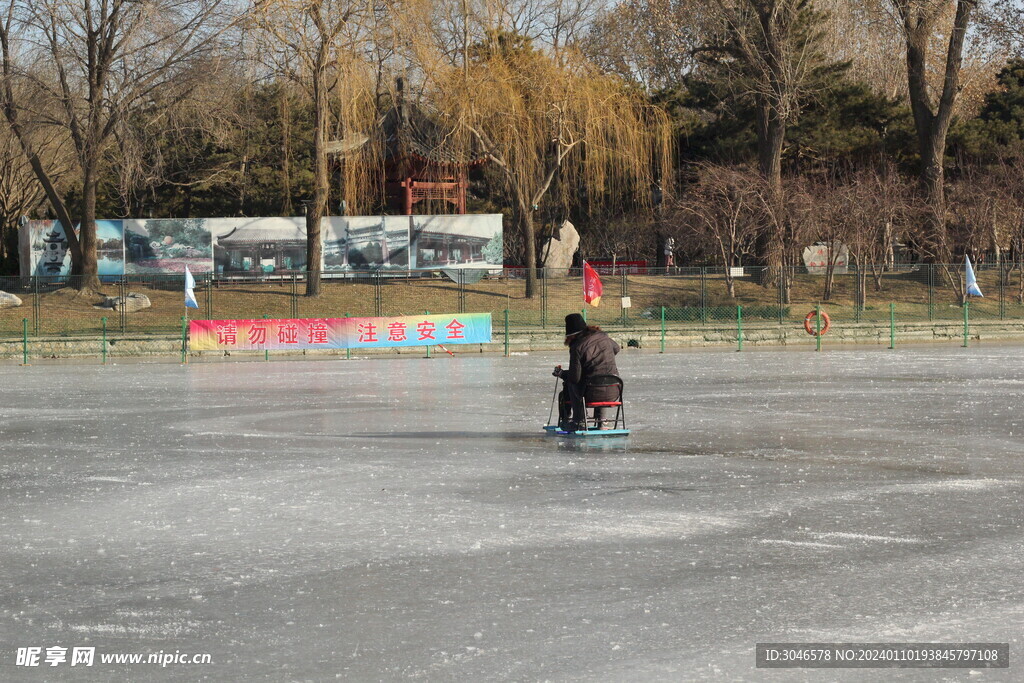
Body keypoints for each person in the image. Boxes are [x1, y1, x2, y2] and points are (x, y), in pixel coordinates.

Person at [553, 313, 621, 431]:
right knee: (600, 379)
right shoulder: (603, 337)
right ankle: (602, 422)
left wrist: (562, 374)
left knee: (572, 384)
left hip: (590, 393)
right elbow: (616, 348)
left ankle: (579, 421)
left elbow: (575, 378)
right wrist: (603, 357)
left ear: (570, 335)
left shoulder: (577, 347)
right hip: (614, 391)